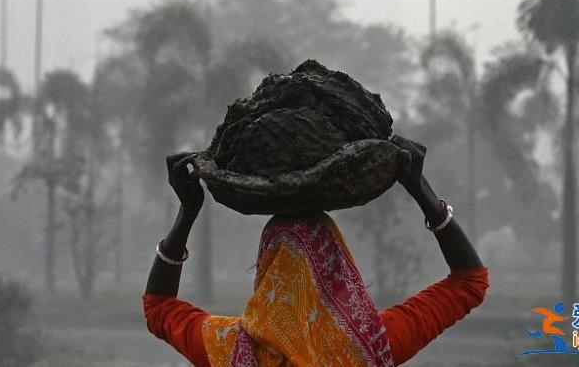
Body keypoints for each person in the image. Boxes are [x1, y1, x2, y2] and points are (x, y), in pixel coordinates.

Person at [143, 137, 489, 366]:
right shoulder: (369, 344)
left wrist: (188, 211)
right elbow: (470, 282)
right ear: (337, 267)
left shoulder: (231, 349)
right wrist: (422, 192)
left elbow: (158, 307)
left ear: (266, 271)